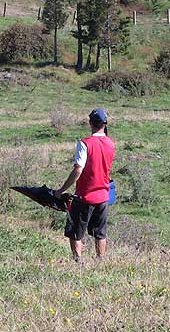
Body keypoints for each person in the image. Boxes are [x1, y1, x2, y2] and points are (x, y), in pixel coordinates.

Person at [55, 108, 115, 262]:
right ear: (105, 123)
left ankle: (78, 262)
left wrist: (61, 190)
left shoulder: (84, 143)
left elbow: (78, 170)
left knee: (75, 231)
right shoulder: (110, 143)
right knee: (100, 233)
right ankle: (100, 260)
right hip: (104, 196)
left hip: (85, 196)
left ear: (90, 123)